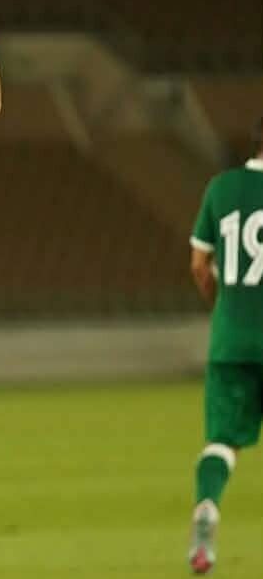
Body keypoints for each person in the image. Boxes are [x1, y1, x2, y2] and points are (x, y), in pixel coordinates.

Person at [187, 117, 263, 574]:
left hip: (231, 342)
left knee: (222, 442)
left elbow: (199, 265)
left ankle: (208, 507)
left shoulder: (222, 188)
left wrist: (225, 304)